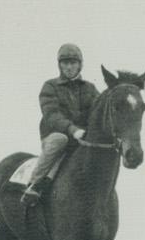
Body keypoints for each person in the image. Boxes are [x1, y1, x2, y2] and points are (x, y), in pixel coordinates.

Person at [19, 43, 100, 207]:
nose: (69, 67)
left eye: (73, 63)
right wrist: (73, 129)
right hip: (55, 136)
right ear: (59, 65)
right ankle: (35, 184)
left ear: (80, 65)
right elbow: (52, 115)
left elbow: (98, 112)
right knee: (60, 139)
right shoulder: (50, 86)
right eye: (65, 63)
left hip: (82, 139)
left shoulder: (90, 89)